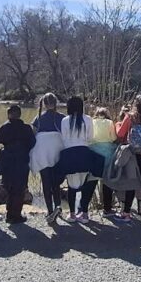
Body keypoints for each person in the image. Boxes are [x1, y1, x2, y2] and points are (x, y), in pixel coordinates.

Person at [0, 104, 37, 224]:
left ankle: (9, 213)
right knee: (20, 189)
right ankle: (16, 214)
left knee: (9, 187)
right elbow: (32, 143)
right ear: (20, 115)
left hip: (8, 160)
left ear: (9, 115)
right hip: (22, 160)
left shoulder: (4, 128)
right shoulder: (26, 128)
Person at [59, 96, 97, 224]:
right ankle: (85, 214)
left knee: (71, 186)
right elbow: (91, 137)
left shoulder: (64, 120)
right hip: (84, 153)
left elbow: (64, 139)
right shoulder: (88, 119)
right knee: (85, 185)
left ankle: (72, 214)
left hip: (70, 154)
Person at [29, 93, 65, 223]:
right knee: (56, 182)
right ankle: (58, 206)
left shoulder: (38, 117)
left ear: (43, 104)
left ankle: (50, 211)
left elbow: (32, 134)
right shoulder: (62, 118)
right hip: (57, 148)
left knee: (46, 181)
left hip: (42, 149)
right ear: (56, 103)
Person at [89, 107, 119, 217]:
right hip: (108, 153)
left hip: (94, 152)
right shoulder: (110, 122)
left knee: (92, 180)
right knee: (107, 181)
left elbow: (90, 138)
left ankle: (84, 209)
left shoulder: (92, 122)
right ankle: (107, 209)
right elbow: (113, 138)